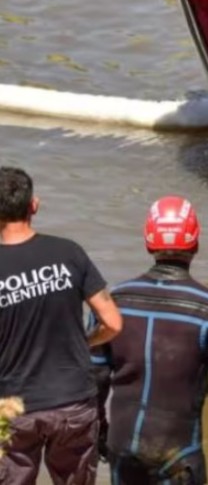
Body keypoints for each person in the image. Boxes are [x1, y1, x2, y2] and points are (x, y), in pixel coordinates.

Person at [92, 196, 208, 484]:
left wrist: (98, 429)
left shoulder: (114, 302)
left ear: (148, 242)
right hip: (179, 450)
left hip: (124, 442)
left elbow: (94, 376)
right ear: (195, 243)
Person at [0, 166, 123, 484]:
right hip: (72, 401)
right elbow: (112, 322)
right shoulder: (69, 253)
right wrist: (86, 342)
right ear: (34, 205)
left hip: (13, 407)